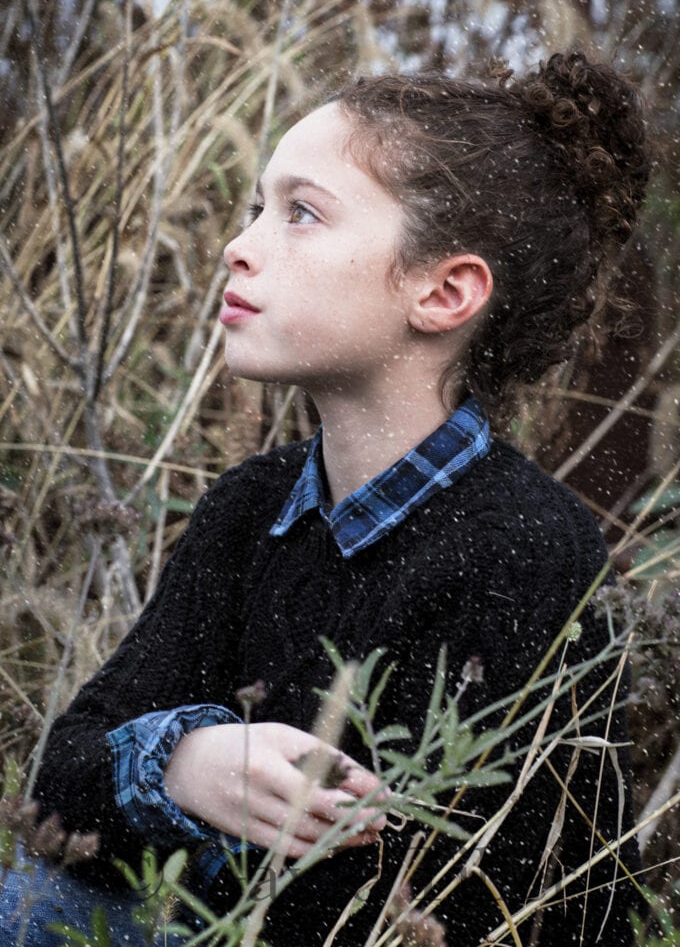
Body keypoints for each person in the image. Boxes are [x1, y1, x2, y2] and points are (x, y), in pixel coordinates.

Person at [0, 48, 650, 946]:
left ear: (444, 290)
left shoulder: (528, 553)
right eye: (255, 208)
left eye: (301, 213)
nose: (240, 244)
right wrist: (184, 764)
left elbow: (484, 904)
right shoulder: (249, 511)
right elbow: (57, 779)